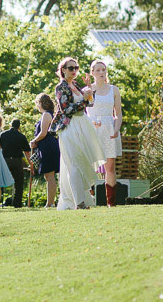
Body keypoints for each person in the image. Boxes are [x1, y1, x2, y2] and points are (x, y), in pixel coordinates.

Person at [51, 57, 105, 210]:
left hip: (82, 125)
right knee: (74, 164)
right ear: (63, 70)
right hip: (69, 127)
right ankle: (79, 202)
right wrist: (84, 101)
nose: (74, 71)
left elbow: (90, 103)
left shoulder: (75, 85)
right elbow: (66, 109)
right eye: (71, 68)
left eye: (76, 67)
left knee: (83, 162)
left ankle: (85, 199)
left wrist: (89, 90)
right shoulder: (60, 87)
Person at [86, 60, 123, 207]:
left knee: (110, 166)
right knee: (88, 164)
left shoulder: (114, 90)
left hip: (109, 128)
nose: (101, 73)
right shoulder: (88, 90)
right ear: (92, 73)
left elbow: (118, 114)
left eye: (104, 70)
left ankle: (111, 202)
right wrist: (92, 122)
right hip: (93, 128)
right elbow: (86, 110)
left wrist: (116, 128)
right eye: (98, 70)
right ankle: (88, 198)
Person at [29, 93, 60, 208]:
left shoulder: (47, 115)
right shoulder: (47, 114)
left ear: (41, 103)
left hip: (48, 146)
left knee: (50, 175)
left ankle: (50, 203)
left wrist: (34, 141)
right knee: (49, 176)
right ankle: (50, 202)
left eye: (37, 103)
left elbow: (43, 132)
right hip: (46, 146)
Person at [0, 118, 32, 208]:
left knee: (1, 181)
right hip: (17, 161)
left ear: (11, 125)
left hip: (5, 160)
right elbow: (27, 152)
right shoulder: (21, 136)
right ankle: (17, 203)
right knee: (18, 182)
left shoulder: (3, 134)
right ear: (19, 126)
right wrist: (31, 164)